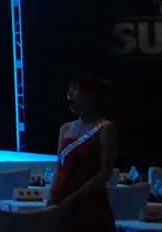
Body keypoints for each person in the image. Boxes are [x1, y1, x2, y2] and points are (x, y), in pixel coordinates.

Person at [48, 75, 118, 232]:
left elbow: (105, 173)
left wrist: (74, 197)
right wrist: (52, 196)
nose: (70, 94)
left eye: (75, 90)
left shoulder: (106, 128)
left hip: (90, 200)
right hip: (63, 198)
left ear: (91, 97)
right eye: (69, 90)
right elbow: (60, 166)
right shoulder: (65, 128)